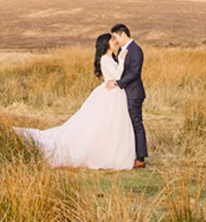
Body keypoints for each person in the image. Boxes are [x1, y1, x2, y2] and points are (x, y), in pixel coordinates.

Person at [13, 33, 136, 170]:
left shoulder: (110, 58)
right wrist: (122, 60)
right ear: (105, 43)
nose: (115, 41)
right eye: (111, 39)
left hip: (115, 93)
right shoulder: (105, 59)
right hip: (111, 93)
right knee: (103, 123)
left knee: (111, 124)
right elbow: (118, 76)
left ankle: (109, 153)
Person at [104, 23, 147, 168]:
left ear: (123, 34)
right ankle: (129, 154)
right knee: (126, 125)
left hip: (134, 93)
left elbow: (134, 73)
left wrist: (117, 83)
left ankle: (140, 158)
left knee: (136, 123)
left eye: (115, 37)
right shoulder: (120, 50)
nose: (114, 41)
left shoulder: (135, 50)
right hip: (122, 94)